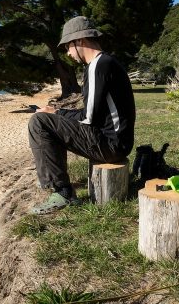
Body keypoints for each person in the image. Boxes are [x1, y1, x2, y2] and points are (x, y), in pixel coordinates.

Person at [28, 16, 136, 214]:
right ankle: (54, 180)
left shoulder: (98, 65)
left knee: (39, 121)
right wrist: (57, 113)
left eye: (68, 47)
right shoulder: (108, 62)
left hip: (111, 145)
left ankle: (62, 192)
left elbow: (89, 118)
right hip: (119, 142)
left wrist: (56, 112)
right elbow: (96, 113)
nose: (68, 53)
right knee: (49, 120)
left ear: (79, 41)